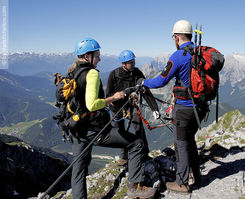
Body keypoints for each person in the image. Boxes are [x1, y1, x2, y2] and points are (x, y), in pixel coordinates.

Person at [69, 38, 156, 199]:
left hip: (76, 129)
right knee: (137, 143)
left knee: (79, 168)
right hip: (95, 129)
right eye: (97, 55)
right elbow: (92, 105)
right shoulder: (92, 73)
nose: (100, 59)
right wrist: (113, 98)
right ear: (88, 56)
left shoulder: (72, 72)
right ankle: (134, 188)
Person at [140, 20, 209, 193]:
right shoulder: (201, 52)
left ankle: (182, 183)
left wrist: (144, 82)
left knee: (180, 144)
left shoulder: (178, 56)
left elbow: (162, 80)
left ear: (177, 37)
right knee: (190, 140)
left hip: (185, 108)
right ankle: (196, 175)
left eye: (174, 37)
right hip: (201, 107)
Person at [106, 50, 160, 166]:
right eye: (130, 62)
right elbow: (108, 95)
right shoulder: (114, 75)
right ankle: (123, 157)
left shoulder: (137, 73)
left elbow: (146, 91)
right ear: (123, 64)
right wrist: (122, 94)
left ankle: (144, 154)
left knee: (138, 126)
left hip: (131, 105)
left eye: (134, 61)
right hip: (117, 108)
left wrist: (154, 108)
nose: (133, 64)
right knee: (120, 131)